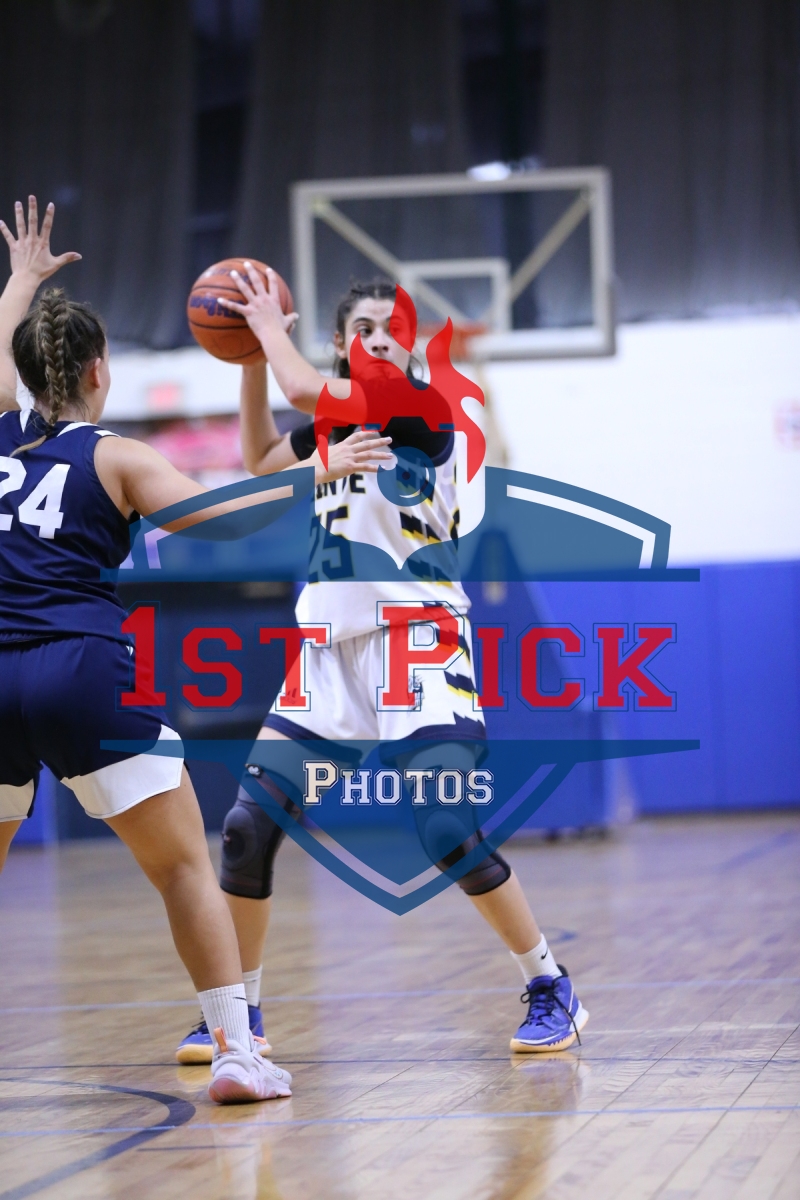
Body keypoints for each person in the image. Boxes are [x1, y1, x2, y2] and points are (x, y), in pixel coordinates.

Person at [0, 198, 388, 1103]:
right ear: (99, 371)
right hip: (80, 668)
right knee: (180, 868)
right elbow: (221, 519)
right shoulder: (115, 457)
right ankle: (237, 1054)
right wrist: (314, 469)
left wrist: (19, 279)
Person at [175, 263, 589, 1063]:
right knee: (246, 830)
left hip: (418, 645)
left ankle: (550, 984)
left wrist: (266, 332)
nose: (378, 341)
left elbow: (304, 389)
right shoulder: (331, 426)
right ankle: (238, 1015)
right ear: (339, 342)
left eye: (391, 331)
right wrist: (251, 361)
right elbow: (259, 454)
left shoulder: (413, 406)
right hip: (329, 655)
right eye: (362, 330)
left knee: (445, 828)